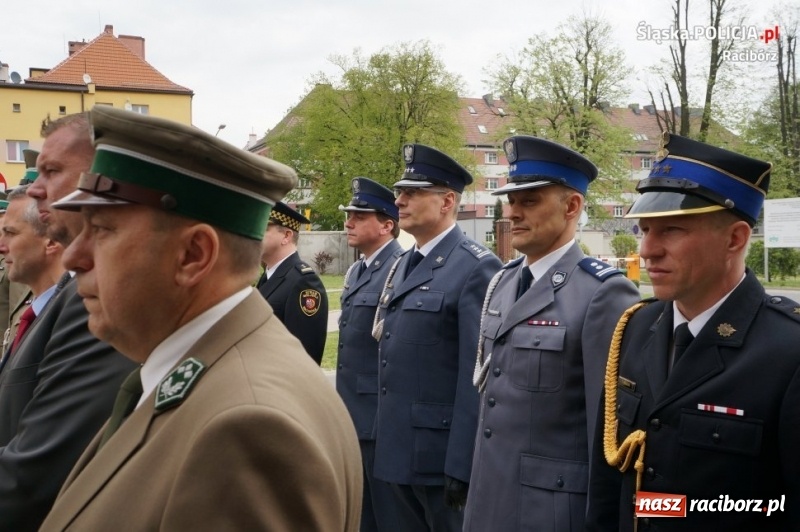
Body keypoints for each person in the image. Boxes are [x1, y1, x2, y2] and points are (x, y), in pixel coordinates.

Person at [39, 106, 362, 531]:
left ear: (193, 256)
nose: (74, 257)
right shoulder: (195, 374)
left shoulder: (246, 430)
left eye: (101, 230)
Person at [586, 133, 800, 531]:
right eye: (644, 230)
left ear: (734, 239)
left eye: (671, 231)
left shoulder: (788, 352)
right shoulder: (636, 327)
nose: (647, 250)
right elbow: (606, 476)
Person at [463, 136, 641, 531]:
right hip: (490, 496)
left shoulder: (602, 293)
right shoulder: (505, 281)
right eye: (512, 201)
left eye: (529, 201)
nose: (513, 213)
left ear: (572, 206)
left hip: (552, 512)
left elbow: (607, 435)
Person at [0, 113, 136, 532]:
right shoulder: (72, 292)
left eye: (52, 171)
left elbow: (37, 473)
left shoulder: (91, 298)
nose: (36, 188)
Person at [372, 144, 502, 531]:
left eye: (412, 192)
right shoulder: (405, 262)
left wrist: (462, 464)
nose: (399, 200)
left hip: (438, 457)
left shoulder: (476, 267)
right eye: (400, 191)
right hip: (396, 448)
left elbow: (474, 376)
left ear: (447, 201)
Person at [336, 177, 404, 531]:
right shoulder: (357, 270)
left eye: (359, 216)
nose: (348, 222)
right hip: (352, 412)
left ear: (386, 225)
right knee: (359, 515)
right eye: (350, 215)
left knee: (384, 516)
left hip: (377, 417)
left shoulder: (398, 269)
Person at [257, 201, 328, 364]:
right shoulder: (268, 276)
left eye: (264, 228)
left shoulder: (304, 282)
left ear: (286, 236)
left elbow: (305, 355)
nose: (255, 233)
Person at [0, 186, 65, 355]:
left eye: (10, 233)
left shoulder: (67, 317)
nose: (1, 246)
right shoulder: (38, 311)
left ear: (50, 241)